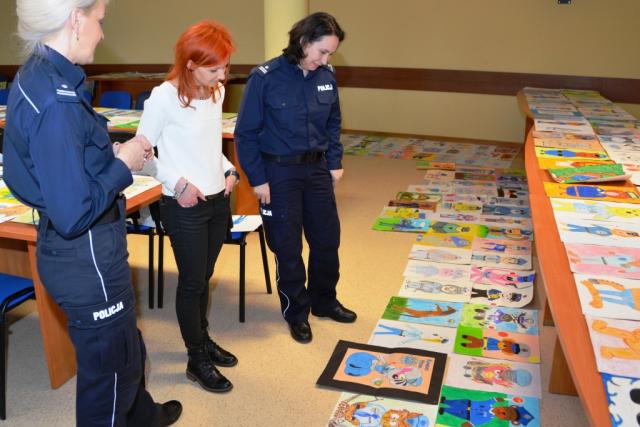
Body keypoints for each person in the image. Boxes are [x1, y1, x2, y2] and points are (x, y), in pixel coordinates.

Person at [3, 0, 182, 425]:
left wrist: (103, 157)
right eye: (99, 21)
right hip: (87, 257)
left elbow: (22, 171)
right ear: (76, 19)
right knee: (110, 374)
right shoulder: (57, 101)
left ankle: (142, 416)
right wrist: (123, 165)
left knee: (126, 349)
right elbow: (73, 212)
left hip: (74, 253)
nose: (102, 33)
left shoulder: (34, 75)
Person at [234, 12, 356, 344]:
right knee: (287, 246)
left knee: (327, 240)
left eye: (330, 53)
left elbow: (333, 122)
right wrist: (258, 179)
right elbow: (246, 134)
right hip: (279, 172)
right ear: (303, 42)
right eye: (322, 51)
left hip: (317, 170)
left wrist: (334, 162)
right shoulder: (265, 77)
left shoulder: (326, 76)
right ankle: (297, 313)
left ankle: (324, 301)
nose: (325, 59)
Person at [137, 20, 238, 393]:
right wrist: (178, 184)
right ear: (191, 64)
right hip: (183, 204)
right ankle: (196, 358)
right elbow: (141, 155)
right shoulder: (163, 97)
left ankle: (203, 339)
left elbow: (209, 146)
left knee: (203, 278)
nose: (222, 76)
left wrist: (228, 169)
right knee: (192, 282)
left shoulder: (216, 92)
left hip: (217, 198)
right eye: (214, 69)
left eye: (225, 67)